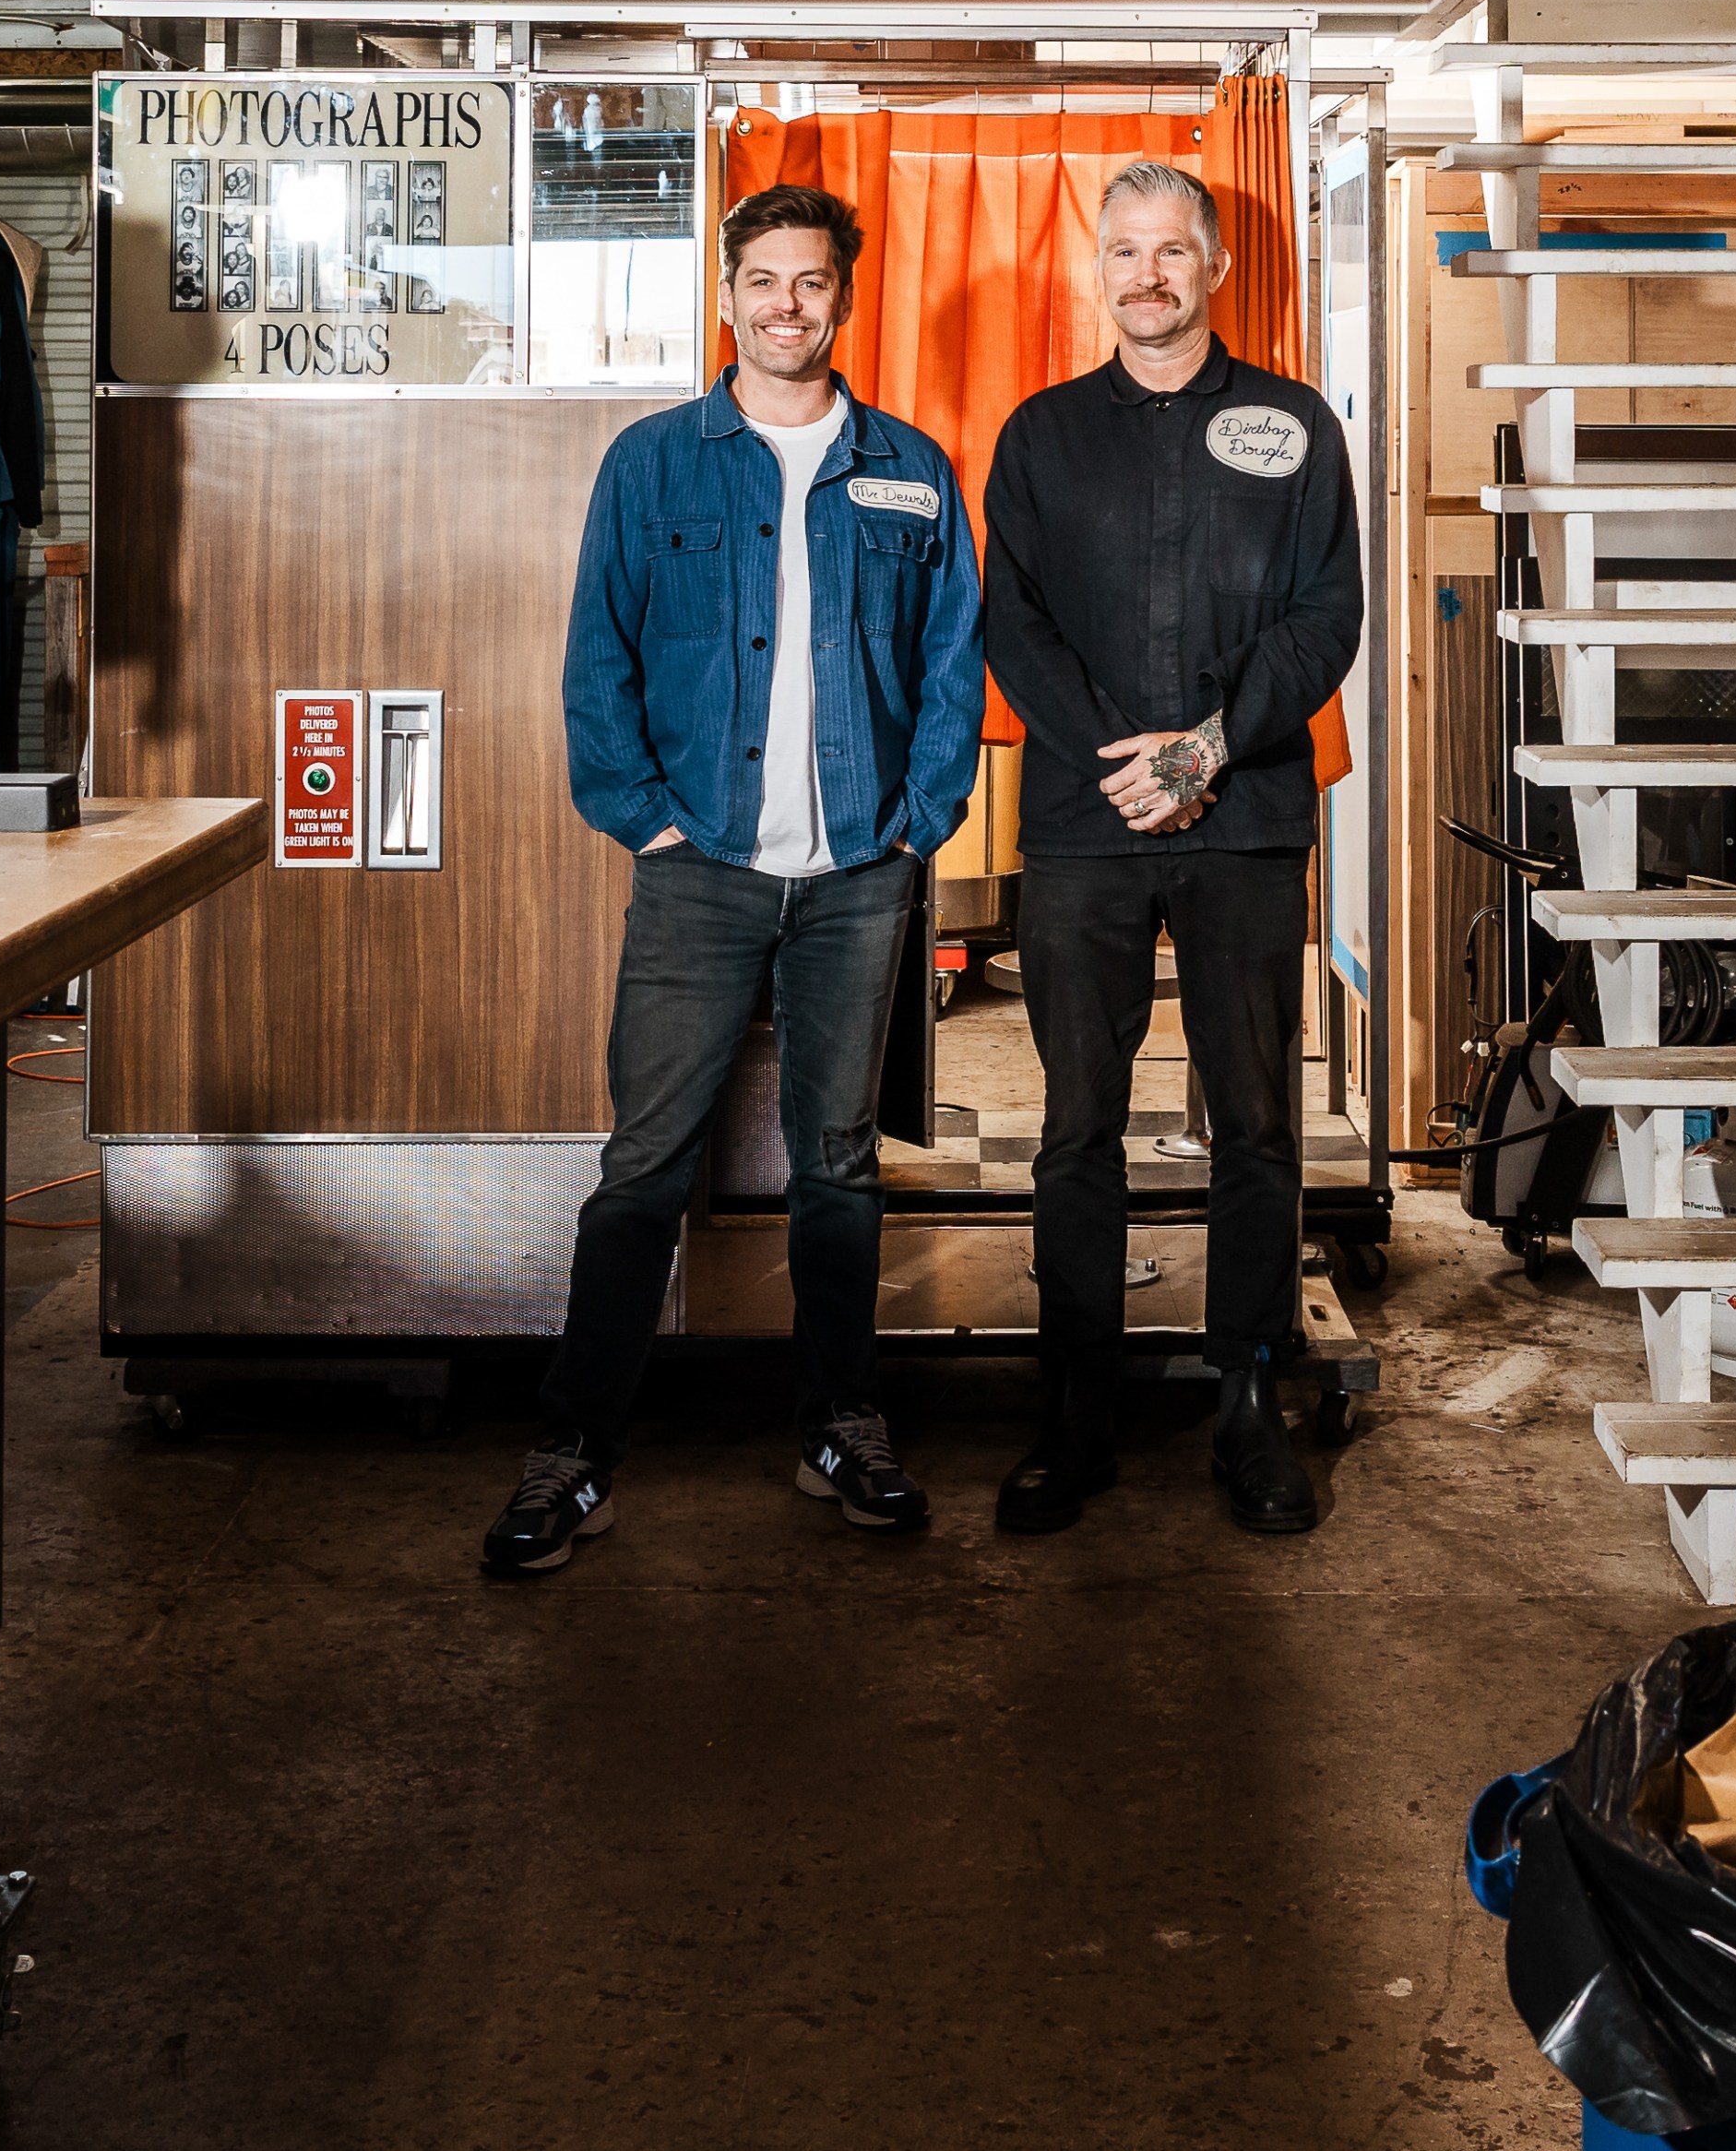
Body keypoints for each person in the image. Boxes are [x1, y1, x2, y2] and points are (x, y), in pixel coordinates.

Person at [483, 184, 986, 1577]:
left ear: (842, 297)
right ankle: (572, 1450)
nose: (785, 305)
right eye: (761, 280)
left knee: (836, 1164)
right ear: (726, 296)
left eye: (810, 282)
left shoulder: (911, 469)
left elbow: (954, 666)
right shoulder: (653, 467)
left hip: (854, 877)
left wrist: (915, 821)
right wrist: (645, 822)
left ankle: (841, 1424)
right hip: (697, 870)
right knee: (643, 1163)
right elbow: (599, 664)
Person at [981, 160, 1362, 1538]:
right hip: (1088, 830)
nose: (1146, 274)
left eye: (1170, 251)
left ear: (1214, 271)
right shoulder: (1040, 437)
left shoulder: (1295, 427)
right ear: (1100, 270)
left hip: (1246, 823)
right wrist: (1129, 768)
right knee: (1076, 1127)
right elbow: (1012, 624)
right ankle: (1074, 1408)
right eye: (1123, 250)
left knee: (1257, 1125)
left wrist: (1205, 752)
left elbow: (1327, 619)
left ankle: (1247, 1400)